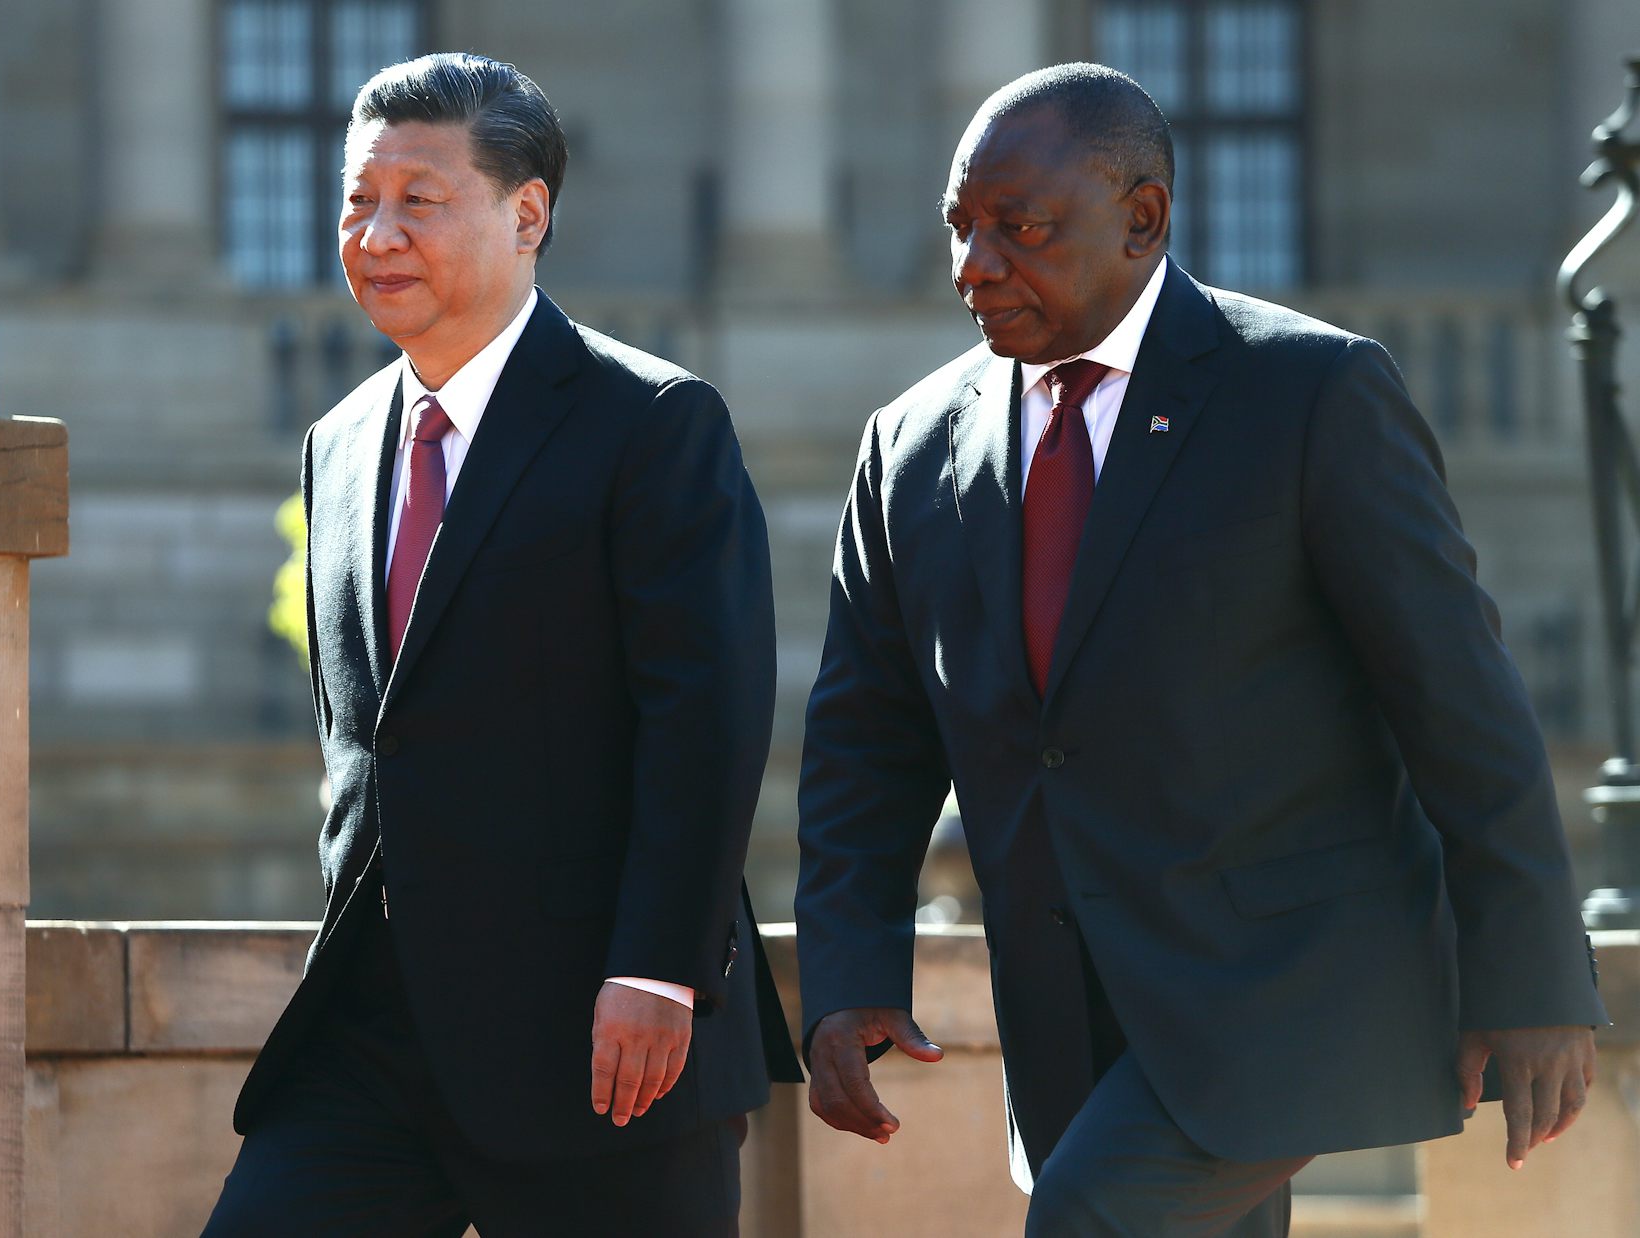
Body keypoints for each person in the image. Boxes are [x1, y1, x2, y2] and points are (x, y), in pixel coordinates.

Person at [793, 62, 1605, 1237]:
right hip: (1069, 1000)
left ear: (1143, 218)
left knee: (1088, 1218)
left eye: (1020, 227)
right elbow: (865, 739)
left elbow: (1459, 699)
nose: (974, 264)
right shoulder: (907, 445)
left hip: (1291, 985)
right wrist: (851, 972)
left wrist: (1533, 973)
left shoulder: (1309, 392)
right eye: (961, 226)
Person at [204, 53, 799, 1238]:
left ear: (527, 216)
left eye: (418, 201)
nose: (376, 233)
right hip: (371, 1048)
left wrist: (659, 967)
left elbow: (708, 717)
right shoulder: (337, 442)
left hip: (604, 1042)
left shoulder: (653, 422)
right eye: (358, 200)